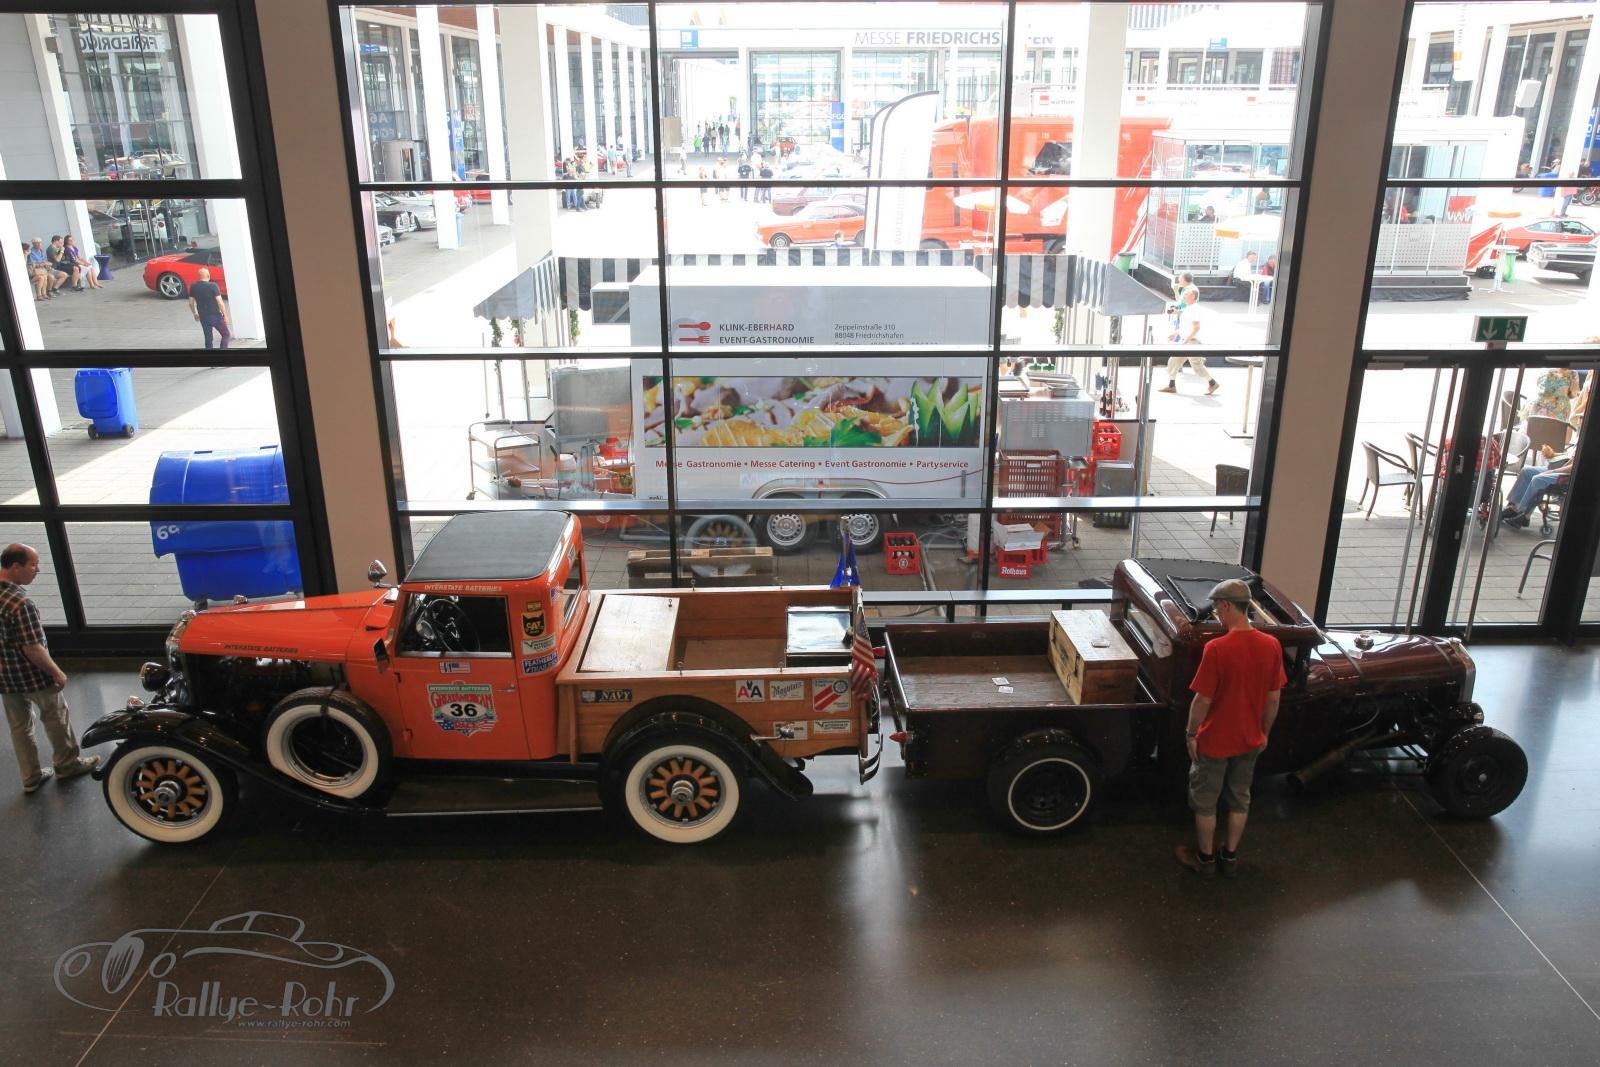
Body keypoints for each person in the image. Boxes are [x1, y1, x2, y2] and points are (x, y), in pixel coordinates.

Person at [1175, 578, 1284, 877]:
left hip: (1215, 740)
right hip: (1250, 739)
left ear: (1226, 605)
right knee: (1240, 799)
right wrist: (1264, 733)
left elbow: (1202, 700)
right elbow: (1273, 698)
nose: (1216, 615)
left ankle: (1205, 860)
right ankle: (1230, 857)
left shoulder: (1217, 649)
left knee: (1206, 802)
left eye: (1216, 609)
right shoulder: (1271, 645)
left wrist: (1191, 733)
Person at [1, 544, 100, 793]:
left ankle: (30, 777)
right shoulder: (20, 604)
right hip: (33, 676)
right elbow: (32, 648)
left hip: (4, 677)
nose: (38, 570)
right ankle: (67, 765)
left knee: (20, 727)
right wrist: (57, 672)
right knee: (55, 716)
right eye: (33, 564)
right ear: (16, 567)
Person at [1160, 289, 1219, 395]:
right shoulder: (1188, 309)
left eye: (1187, 294)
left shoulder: (1195, 309)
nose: (1185, 295)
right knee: (1173, 361)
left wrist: (1186, 341)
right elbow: (1185, 326)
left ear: (1193, 297)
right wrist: (1176, 334)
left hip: (1192, 342)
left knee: (1197, 367)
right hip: (1186, 342)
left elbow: (1196, 328)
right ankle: (1171, 385)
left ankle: (1213, 383)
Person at [1500, 444, 1573, 526]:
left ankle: (1522, 512)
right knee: (1526, 471)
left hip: (1568, 475)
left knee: (1538, 479)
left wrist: (1552, 471)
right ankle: (1513, 505)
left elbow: (1573, 467)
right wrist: (1554, 455)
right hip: (1562, 465)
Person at [187, 267, 231, 349]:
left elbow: (190, 303)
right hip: (215, 316)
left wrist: (195, 313)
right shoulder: (213, 285)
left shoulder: (193, 286)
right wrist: (225, 315)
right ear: (208, 275)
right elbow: (220, 302)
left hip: (203, 316)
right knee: (226, 334)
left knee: (208, 338)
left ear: (199, 276)